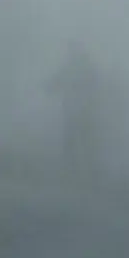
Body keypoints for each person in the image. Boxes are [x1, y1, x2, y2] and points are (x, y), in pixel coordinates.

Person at [47, 40, 106, 187]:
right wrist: (51, 86)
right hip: (80, 109)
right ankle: (85, 171)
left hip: (80, 109)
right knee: (80, 140)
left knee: (77, 140)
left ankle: (77, 171)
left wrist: (51, 86)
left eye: (72, 49)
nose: (70, 52)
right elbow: (58, 81)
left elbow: (58, 81)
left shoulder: (77, 66)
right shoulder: (83, 66)